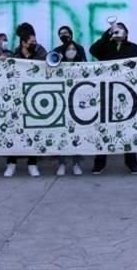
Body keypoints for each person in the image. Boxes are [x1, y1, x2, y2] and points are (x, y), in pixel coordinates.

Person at [89, 21, 137, 174]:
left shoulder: (133, 47)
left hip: (127, 93)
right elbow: (93, 50)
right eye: (116, 31)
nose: (118, 33)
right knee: (104, 127)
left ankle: (132, 162)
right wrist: (107, 35)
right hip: (107, 92)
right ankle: (99, 163)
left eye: (121, 30)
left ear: (126, 33)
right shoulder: (105, 46)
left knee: (128, 127)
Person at [5, 24, 47, 177]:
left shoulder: (40, 52)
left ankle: (32, 163)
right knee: (14, 131)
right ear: (23, 43)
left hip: (35, 97)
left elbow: (47, 66)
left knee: (33, 131)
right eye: (31, 41)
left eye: (35, 41)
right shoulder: (14, 55)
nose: (34, 44)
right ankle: (11, 163)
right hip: (17, 99)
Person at [52, 25, 86, 176]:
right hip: (61, 99)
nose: (63, 36)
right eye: (61, 34)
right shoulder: (57, 52)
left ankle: (76, 163)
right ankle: (62, 163)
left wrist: (73, 45)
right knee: (62, 132)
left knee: (76, 132)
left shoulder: (80, 50)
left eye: (66, 33)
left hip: (77, 99)